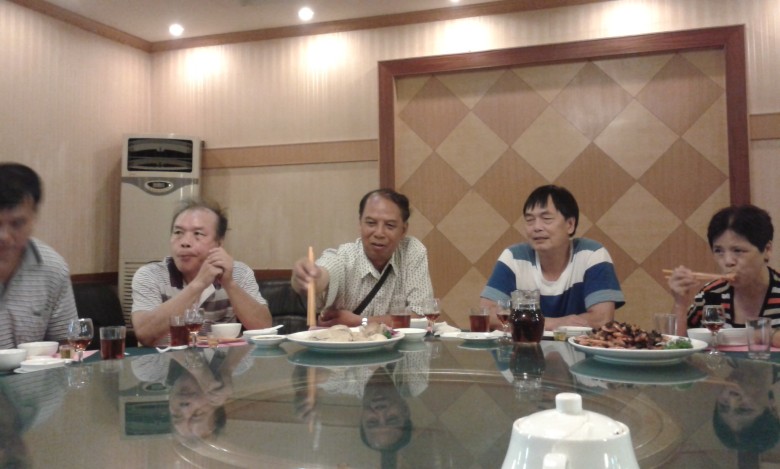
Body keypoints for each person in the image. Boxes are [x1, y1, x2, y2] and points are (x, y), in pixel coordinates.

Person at [480, 185, 625, 330]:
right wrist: (553, 323)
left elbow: (601, 319)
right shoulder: (514, 257)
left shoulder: (591, 254)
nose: (536, 227)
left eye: (546, 219)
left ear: (570, 224)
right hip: (526, 344)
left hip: (579, 344)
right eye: (529, 220)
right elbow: (488, 315)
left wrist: (527, 323)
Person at [131, 199, 272, 346]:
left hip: (220, 360)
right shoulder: (150, 275)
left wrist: (229, 284)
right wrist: (198, 284)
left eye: (198, 234)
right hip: (164, 359)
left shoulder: (239, 273)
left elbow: (263, 328)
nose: (185, 242)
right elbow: (144, 334)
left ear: (219, 243)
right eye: (178, 232)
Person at [291, 189, 434, 327]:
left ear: (403, 230)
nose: (379, 233)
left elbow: (422, 316)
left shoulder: (411, 251)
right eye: (371, 223)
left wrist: (360, 321)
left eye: (390, 225)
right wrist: (308, 276)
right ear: (360, 224)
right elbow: (324, 272)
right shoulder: (345, 257)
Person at [668, 205, 780, 345]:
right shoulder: (711, 294)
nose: (728, 261)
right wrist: (680, 303)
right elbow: (676, 344)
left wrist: (764, 335)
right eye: (719, 251)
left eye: (738, 250)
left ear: (767, 249)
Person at [0, 162, 78, 349]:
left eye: (17, 224)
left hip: (31, 369)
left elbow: (68, 345)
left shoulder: (52, 268)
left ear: (34, 217)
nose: (4, 237)